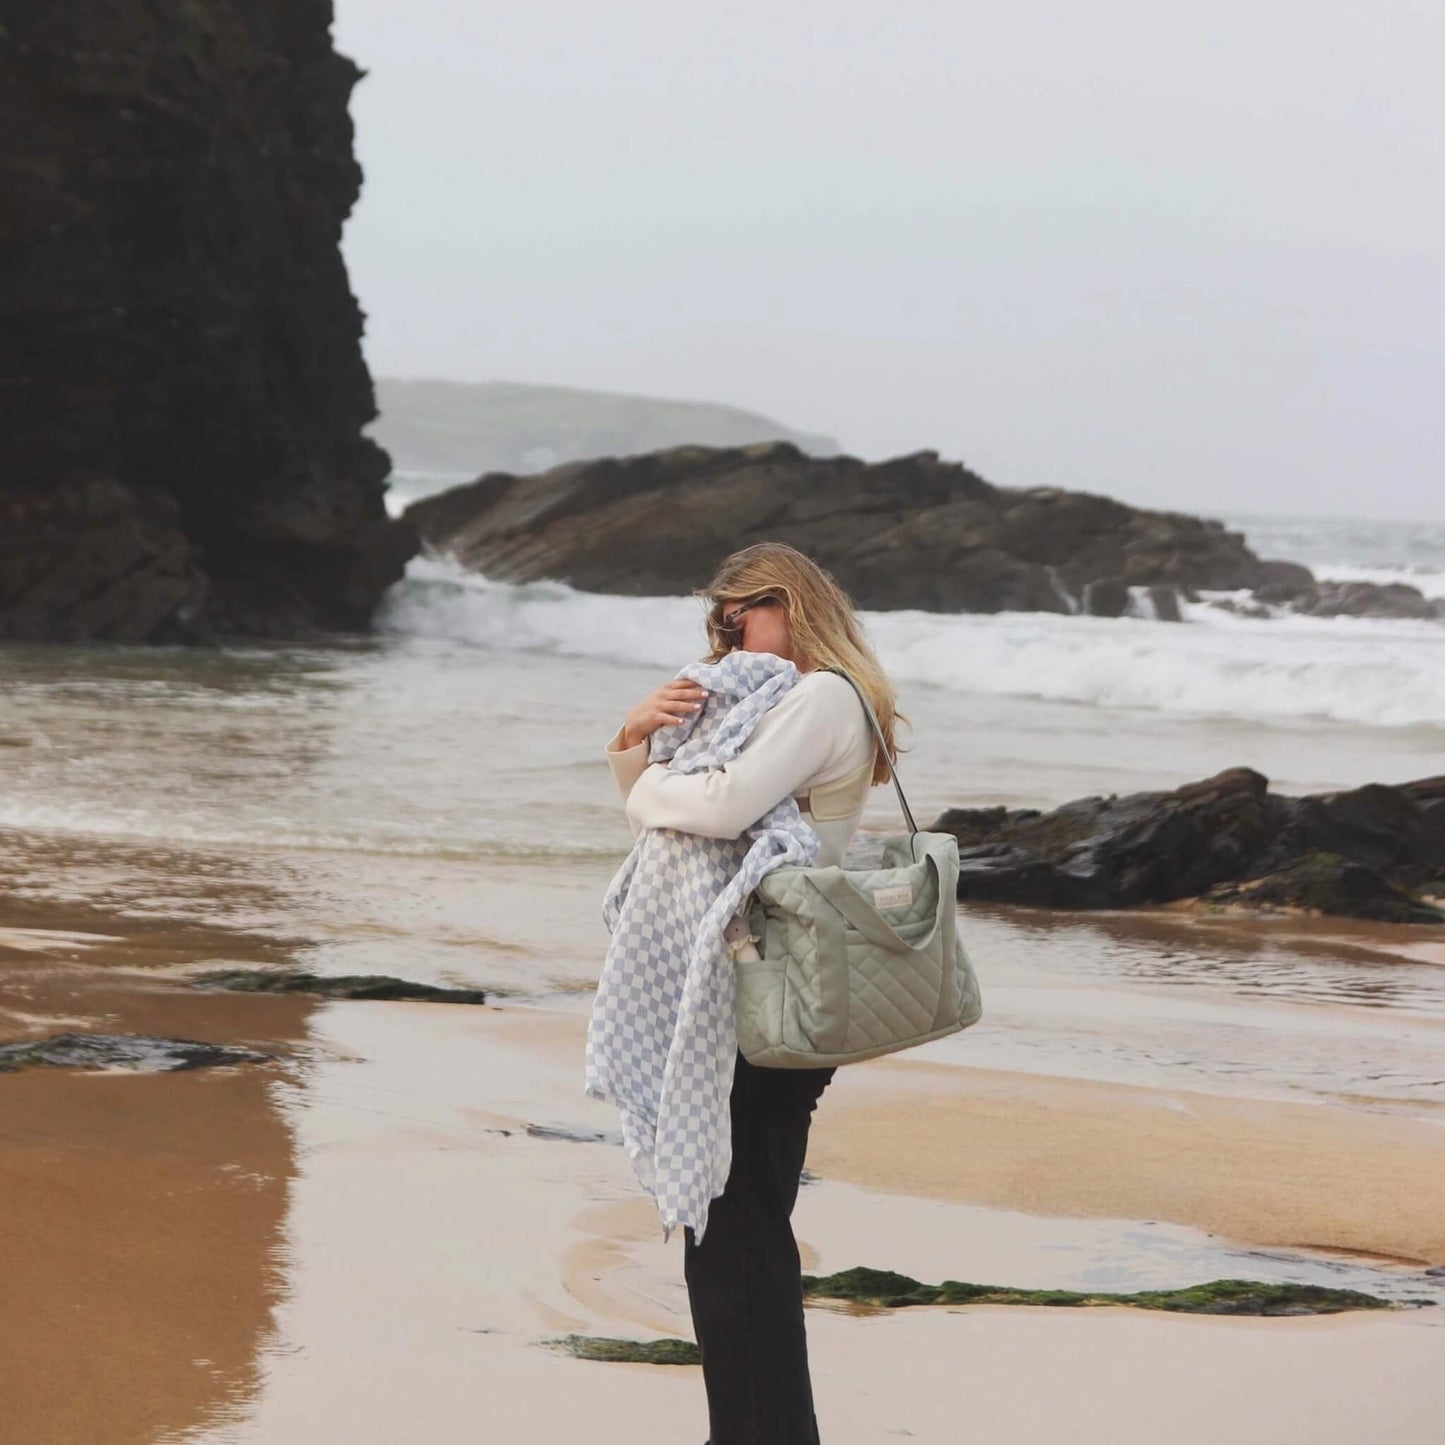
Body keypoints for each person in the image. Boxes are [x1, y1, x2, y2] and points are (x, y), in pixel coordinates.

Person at [602, 541, 904, 1445]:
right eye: (718, 624)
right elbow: (694, 803)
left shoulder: (821, 697)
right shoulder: (784, 703)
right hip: (755, 982)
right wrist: (632, 741)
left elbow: (721, 807)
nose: (730, 640)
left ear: (792, 604)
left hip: (768, 987)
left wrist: (646, 776)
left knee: (736, 1240)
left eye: (744, 617)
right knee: (736, 1234)